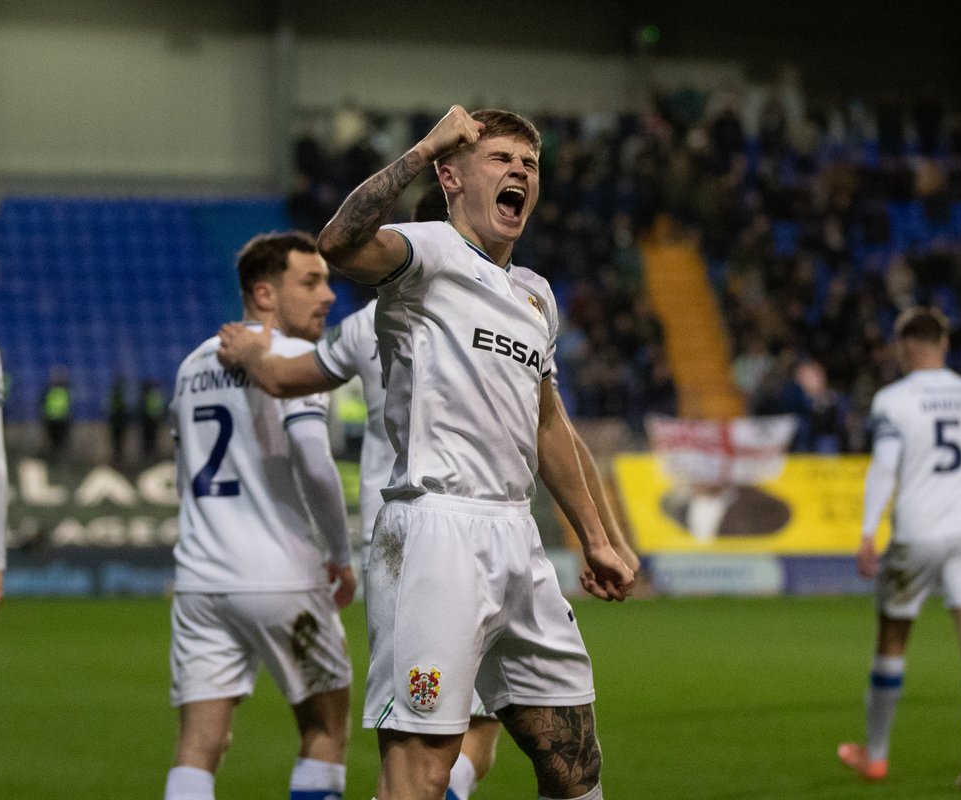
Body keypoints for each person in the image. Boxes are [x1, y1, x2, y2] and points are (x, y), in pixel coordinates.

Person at [217, 190, 642, 800]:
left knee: (516, 742)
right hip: (425, 542)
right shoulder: (389, 309)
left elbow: (554, 429)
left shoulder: (505, 302)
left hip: (466, 537)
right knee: (451, 745)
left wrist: (603, 540)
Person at [316, 105, 634, 800]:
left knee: (574, 767)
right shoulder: (426, 251)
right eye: (501, 159)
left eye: (530, 164)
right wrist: (424, 145)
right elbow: (338, 243)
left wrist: (596, 537)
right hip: (435, 534)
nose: (520, 170)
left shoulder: (536, 297)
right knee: (422, 773)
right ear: (452, 176)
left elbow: (550, 424)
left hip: (518, 537)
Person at [164, 231, 357, 800]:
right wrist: (341, 556)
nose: (328, 296)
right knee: (325, 728)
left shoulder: (191, 365)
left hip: (202, 580)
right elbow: (318, 466)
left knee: (200, 745)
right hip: (280, 573)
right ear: (265, 295)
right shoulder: (297, 359)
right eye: (311, 281)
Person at [837, 307, 961, 791]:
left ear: (904, 346)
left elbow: (884, 468)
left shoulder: (893, 399)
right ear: (943, 343)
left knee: (892, 642)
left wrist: (868, 531)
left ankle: (878, 757)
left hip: (916, 532)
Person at [39, 366, 72, 460]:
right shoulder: (49, 391)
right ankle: (53, 460)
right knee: (52, 443)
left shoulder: (65, 392)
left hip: (61, 422)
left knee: (60, 444)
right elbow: (43, 405)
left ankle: (59, 460)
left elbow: (68, 407)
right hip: (52, 421)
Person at [140, 378, 167, 461]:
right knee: (149, 438)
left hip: (150, 419)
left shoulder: (148, 395)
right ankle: (149, 453)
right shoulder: (153, 395)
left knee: (150, 438)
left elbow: (157, 407)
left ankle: (151, 454)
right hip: (151, 419)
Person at [107, 376, 130, 464]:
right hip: (117, 422)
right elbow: (118, 409)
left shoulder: (115, 394)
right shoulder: (118, 395)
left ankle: (118, 459)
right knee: (117, 443)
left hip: (117, 422)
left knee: (118, 443)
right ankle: (117, 460)